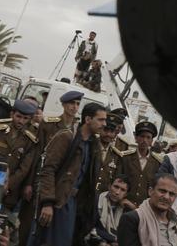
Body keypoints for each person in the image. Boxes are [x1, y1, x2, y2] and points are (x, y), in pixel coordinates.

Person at [32, 102, 107, 246]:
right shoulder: (67, 137)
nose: (104, 124)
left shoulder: (94, 145)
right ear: (88, 119)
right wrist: (47, 203)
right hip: (58, 201)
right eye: (100, 119)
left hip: (76, 204)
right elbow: (47, 170)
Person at [0, 99, 39, 221]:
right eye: (18, 116)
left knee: (0, 223)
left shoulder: (30, 140)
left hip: (9, 192)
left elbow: (24, 169)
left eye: (25, 118)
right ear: (12, 114)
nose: (21, 121)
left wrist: (7, 185)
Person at [116, 173, 177, 246]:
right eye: (162, 191)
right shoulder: (132, 220)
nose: (166, 197)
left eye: (171, 194)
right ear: (150, 191)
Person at [121, 121, 162, 210]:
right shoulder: (125, 158)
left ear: (152, 141)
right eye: (142, 136)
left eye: (148, 137)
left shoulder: (157, 163)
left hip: (144, 210)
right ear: (136, 138)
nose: (144, 140)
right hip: (123, 206)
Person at [95, 112, 130, 195]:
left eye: (112, 131)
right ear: (100, 129)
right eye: (106, 130)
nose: (108, 134)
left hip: (103, 196)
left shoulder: (117, 155)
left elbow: (117, 179)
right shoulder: (91, 147)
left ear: (115, 134)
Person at [89, 175, 130, 246]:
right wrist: (112, 239)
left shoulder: (126, 210)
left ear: (126, 194)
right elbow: (90, 228)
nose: (117, 192)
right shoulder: (97, 201)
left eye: (122, 190)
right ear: (109, 186)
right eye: (116, 187)